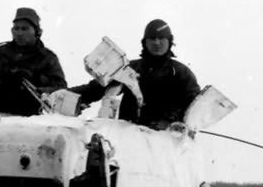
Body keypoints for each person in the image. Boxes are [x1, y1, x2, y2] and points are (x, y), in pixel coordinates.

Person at [73, 18, 201, 129]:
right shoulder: (130, 68)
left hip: (165, 145)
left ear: (170, 41)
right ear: (145, 42)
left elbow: (196, 107)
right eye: (152, 38)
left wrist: (170, 119)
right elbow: (94, 89)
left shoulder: (182, 73)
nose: (157, 42)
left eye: (161, 38)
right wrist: (63, 93)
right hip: (130, 141)